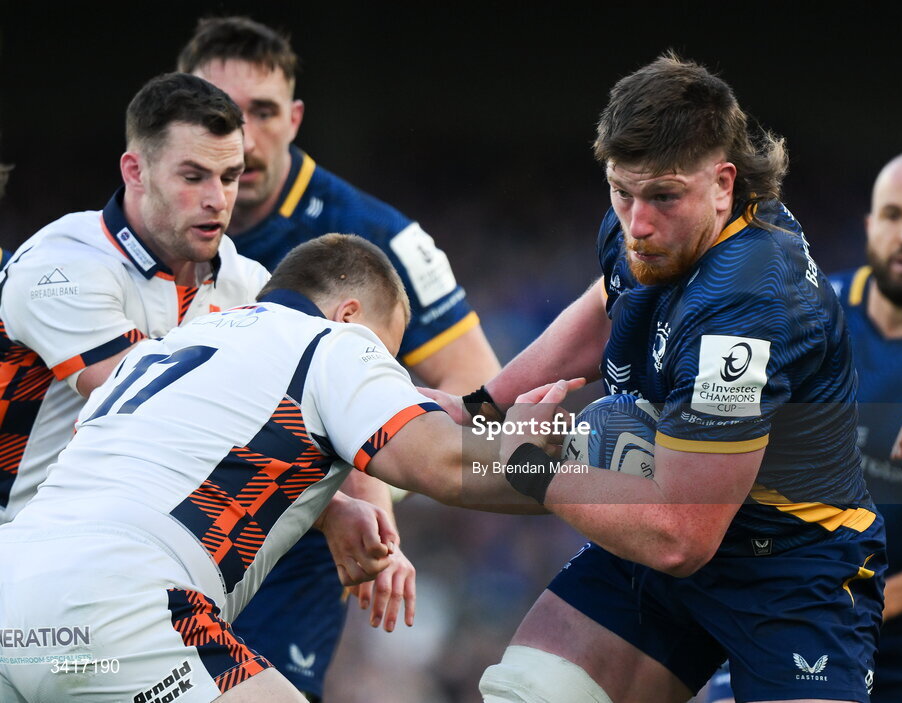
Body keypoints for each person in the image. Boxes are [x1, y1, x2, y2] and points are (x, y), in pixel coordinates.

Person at [444, 52, 886, 703]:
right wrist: (484, 402)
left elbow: (681, 534)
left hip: (793, 568)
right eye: (621, 191)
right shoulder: (648, 225)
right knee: (528, 693)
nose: (637, 223)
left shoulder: (748, 302)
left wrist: (531, 467)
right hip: (660, 538)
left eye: (662, 197)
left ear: (722, 183)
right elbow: (605, 308)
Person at [0, 233, 551, 702]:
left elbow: (170, 469)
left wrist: (331, 509)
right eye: (385, 355)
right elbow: (442, 463)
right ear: (350, 316)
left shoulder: (165, 349)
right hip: (122, 605)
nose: (380, 373)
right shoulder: (335, 344)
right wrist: (564, 454)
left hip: (15, 591)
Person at [175, 17, 501, 697]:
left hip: (291, 548)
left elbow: (482, 394)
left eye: (263, 112)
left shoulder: (379, 237)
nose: (244, 135)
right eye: (220, 114)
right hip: (157, 524)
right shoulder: (150, 233)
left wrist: (361, 483)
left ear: (294, 118)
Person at [705, 151, 902, 702]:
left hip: (897, 643)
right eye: (895, 215)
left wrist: (879, 599)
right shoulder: (801, 309)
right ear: (871, 225)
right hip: (778, 613)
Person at [0, 72, 270, 525]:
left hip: (119, 549)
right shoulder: (60, 269)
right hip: (16, 548)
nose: (217, 199)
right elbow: (151, 410)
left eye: (230, 177)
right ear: (135, 171)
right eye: (193, 176)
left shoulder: (246, 282)